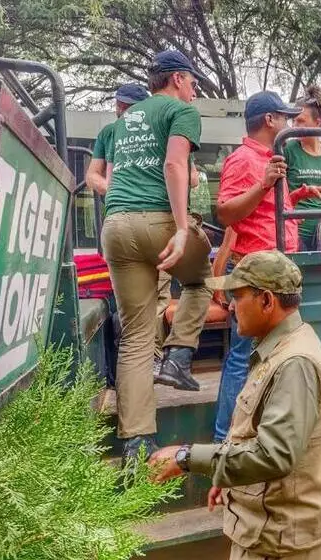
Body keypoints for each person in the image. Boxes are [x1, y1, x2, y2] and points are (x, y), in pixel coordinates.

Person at [149, 251, 321, 560]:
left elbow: (273, 454)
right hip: (270, 531)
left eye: (237, 297)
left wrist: (187, 457)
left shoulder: (294, 363)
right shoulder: (277, 348)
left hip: (281, 544)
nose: (230, 307)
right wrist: (230, 482)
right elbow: (256, 433)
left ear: (266, 301)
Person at [103, 50, 213, 462]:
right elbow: (173, 164)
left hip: (115, 227)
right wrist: (184, 228)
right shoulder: (180, 111)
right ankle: (178, 357)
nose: (196, 89)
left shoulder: (121, 123)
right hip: (159, 222)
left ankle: (137, 444)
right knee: (201, 281)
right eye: (194, 82)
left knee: (134, 336)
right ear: (179, 79)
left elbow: (111, 180)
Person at [213, 90, 321, 443]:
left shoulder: (268, 157)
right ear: (269, 120)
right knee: (241, 356)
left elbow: (262, 211)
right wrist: (265, 182)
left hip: (273, 273)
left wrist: (294, 196)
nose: (289, 122)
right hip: (258, 274)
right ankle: (224, 440)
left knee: (266, 354)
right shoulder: (244, 159)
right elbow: (227, 212)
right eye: (284, 117)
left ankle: (251, 432)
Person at [284, 85, 321, 251]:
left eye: (301, 120)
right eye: (293, 120)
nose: (295, 125)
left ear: (318, 122)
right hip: (296, 229)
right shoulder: (288, 150)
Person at [86, 83, 150, 196]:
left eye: (128, 106)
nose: (122, 110)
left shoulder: (158, 130)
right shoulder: (108, 132)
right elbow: (92, 176)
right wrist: (116, 192)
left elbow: (192, 176)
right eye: (119, 105)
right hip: (118, 206)